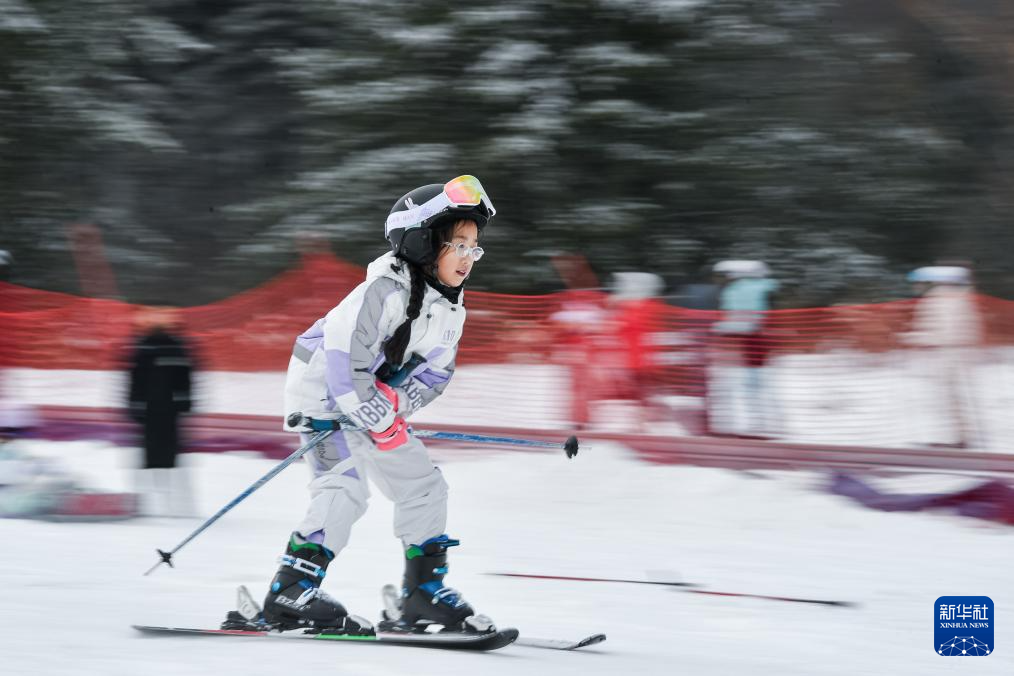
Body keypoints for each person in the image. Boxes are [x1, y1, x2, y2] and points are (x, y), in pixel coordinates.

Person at [260, 175, 495, 635]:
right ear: (425, 242)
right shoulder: (381, 290)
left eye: (475, 248)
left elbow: (437, 373)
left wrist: (398, 403)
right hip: (325, 396)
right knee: (344, 487)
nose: (469, 258)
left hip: (377, 405)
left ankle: (422, 593)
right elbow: (346, 363)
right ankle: (290, 590)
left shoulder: (450, 309)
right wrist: (378, 413)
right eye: (459, 245)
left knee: (424, 485)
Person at [902, 265, 983, 448]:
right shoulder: (960, 299)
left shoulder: (939, 301)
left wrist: (913, 337)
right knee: (952, 398)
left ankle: (955, 439)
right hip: (955, 354)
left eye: (920, 283)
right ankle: (959, 437)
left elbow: (945, 333)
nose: (918, 287)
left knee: (947, 398)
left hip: (947, 355)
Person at [127, 306, 195, 517]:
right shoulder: (150, 346)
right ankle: (151, 502)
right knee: (160, 457)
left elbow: (185, 379)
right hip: (160, 411)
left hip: (159, 412)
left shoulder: (157, 346)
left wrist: (134, 405)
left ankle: (165, 503)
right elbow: (135, 379)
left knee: (160, 457)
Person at [710, 260, 781, 436]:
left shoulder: (735, 291)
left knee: (750, 386)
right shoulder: (757, 288)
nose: (725, 278)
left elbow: (735, 320)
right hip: (754, 345)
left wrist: (719, 328)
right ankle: (763, 423)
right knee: (757, 385)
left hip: (746, 348)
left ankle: (757, 424)